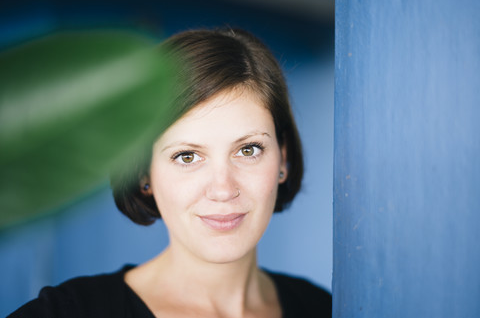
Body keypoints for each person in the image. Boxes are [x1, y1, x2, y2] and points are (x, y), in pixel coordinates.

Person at [9, 28, 331, 318]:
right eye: (187, 156)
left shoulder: (324, 309)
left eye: (248, 150)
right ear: (142, 174)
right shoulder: (68, 313)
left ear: (283, 160)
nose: (222, 189)